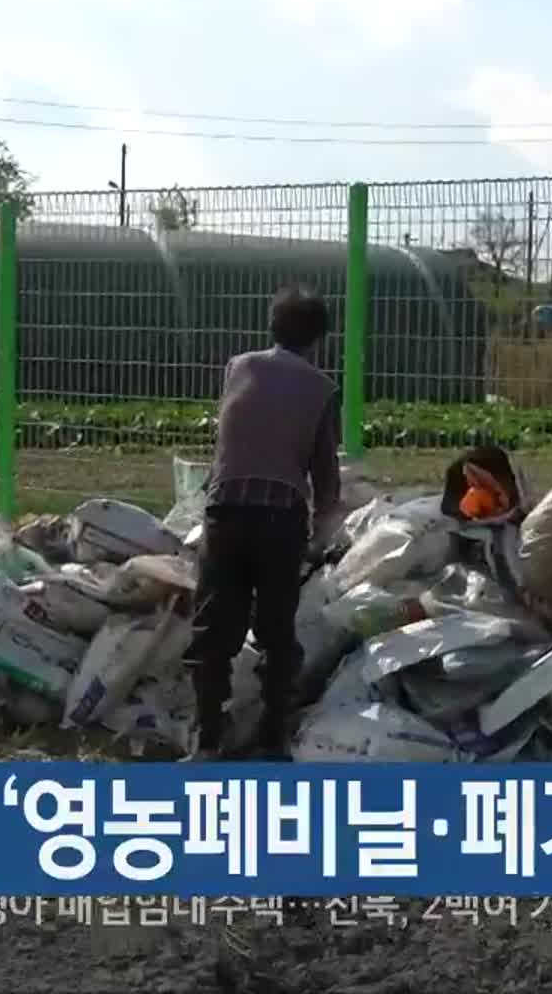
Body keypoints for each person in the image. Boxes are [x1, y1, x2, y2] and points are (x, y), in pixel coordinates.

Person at [181, 284, 342, 761]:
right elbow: (325, 476)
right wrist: (323, 533)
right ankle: (275, 742)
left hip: (224, 513)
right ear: (318, 340)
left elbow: (232, 440)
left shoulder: (239, 368)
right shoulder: (321, 388)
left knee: (213, 634)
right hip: (279, 521)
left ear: (271, 327)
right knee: (276, 634)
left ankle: (208, 740)